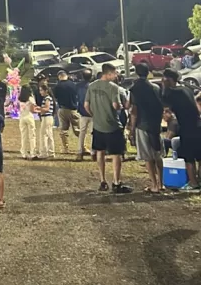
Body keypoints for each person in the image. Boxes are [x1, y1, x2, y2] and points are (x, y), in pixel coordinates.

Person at [84, 63, 131, 194]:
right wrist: (122, 106)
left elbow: (86, 105)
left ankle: (102, 181)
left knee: (100, 152)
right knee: (116, 154)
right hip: (112, 125)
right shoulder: (113, 87)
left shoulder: (92, 86)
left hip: (98, 125)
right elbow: (116, 105)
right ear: (109, 73)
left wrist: (94, 115)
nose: (116, 76)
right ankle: (116, 182)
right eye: (115, 73)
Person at [161, 69, 201, 190]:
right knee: (200, 156)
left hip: (186, 128)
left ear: (168, 79)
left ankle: (193, 183)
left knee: (188, 157)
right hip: (198, 125)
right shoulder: (187, 89)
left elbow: (167, 115)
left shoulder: (170, 93)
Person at [128, 63, 165, 194]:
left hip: (142, 125)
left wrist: (132, 129)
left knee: (147, 157)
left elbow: (134, 111)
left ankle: (154, 185)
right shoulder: (156, 87)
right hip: (156, 124)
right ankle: (161, 183)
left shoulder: (135, 89)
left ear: (136, 73)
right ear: (148, 72)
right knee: (157, 154)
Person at [53, 70, 81, 154]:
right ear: (66, 76)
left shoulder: (57, 86)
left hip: (62, 109)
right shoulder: (73, 85)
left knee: (63, 130)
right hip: (73, 109)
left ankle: (65, 148)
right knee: (77, 129)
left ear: (59, 76)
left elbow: (55, 97)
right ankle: (82, 146)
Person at [75, 69, 94, 160]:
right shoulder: (92, 86)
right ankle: (93, 152)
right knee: (93, 133)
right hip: (93, 112)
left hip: (82, 112)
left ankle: (79, 151)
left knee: (82, 133)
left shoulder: (78, 86)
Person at [36, 81, 55, 159]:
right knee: (49, 135)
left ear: (46, 91)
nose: (40, 92)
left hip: (46, 118)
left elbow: (46, 108)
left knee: (43, 135)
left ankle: (44, 153)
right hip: (49, 118)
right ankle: (51, 152)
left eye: (41, 90)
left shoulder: (47, 98)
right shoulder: (49, 98)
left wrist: (39, 109)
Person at [18, 84, 37, 160]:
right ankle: (33, 153)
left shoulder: (20, 98)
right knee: (32, 136)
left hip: (22, 117)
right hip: (29, 116)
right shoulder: (30, 98)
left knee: (24, 136)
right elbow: (33, 110)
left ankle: (24, 153)